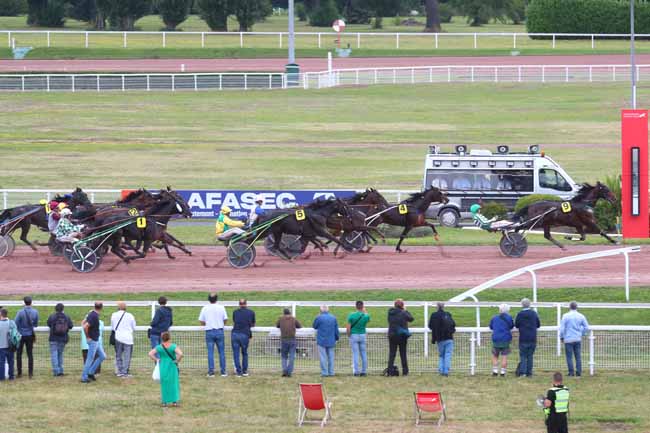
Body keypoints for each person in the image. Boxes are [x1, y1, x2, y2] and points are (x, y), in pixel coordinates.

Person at [148, 332, 183, 408]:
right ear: (169, 338)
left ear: (162, 338)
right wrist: (177, 360)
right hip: (172, 366)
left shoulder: (159, 347)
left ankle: (164, 402)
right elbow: (181, 354)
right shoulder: (173, 346)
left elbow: (150, 353)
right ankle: (174, 402)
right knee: (174, 383)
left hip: (163, 366)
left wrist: (157, 359)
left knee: (164, 384)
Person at [198, 293, 228, 377]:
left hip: (209, 332)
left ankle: (211, 372)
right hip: (219, 331)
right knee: (221, 352)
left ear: (208, 299)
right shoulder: (221, 307)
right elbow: (225, 319)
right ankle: (223, 371)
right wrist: (221, 324)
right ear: (216, 299)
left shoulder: (205, 308)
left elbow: (201, 321)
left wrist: (207, 324)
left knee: (210, 352)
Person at [560, 301, 590, 377]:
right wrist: (582, 333)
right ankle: (579, 372)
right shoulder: (581, 316)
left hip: (568, 339)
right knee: (578, 356)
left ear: (569, 307)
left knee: (569, 357)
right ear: (577, 307)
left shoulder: (565, 316)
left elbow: (562, 328)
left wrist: (561, 337)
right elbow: (587, 327)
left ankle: (571, 372)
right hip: (577, 338)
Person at [428, 302, 456, 377]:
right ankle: (446, 371)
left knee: (441, 355)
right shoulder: (448, 314)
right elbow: (453, 324)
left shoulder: (434, 315)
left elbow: (430, 326)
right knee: (447, 355)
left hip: (439, 338)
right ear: (443, 307)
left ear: (437, 307)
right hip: (449, 337)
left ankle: (441, 370)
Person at [387, 299, 414, 376]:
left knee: (392, 354)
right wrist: (406, 310)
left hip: (392, 335)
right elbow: (411, 319)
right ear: (402, 306)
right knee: (403, 354)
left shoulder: (390, 312)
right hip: (402, 336)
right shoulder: (404, 313)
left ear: (394, 305)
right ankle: (405, 372)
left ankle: (390, 371)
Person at [81, 302, 106, 383]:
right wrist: (88, 337)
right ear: (101, 308)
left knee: (102, 356)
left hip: (96, 340)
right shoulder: (94, 316)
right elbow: (85, 327)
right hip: (93, 340)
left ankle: (91, 372)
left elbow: (83, 324)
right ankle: (84, 377)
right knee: (90, 359)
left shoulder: (92, 314)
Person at [515, 298, 541, 377]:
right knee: (530, 356)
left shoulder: (520, 314)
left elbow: (516, 325)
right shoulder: (534, 313)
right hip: (532, 338)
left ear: (522, 305)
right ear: (529, 304)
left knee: (523, 356)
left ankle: (523, 373)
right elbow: (538, 324)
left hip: (523, 338)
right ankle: (529, 373)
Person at [46, 303, 73, 377]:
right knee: (60, 354)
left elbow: (48, 323)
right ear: (63, 309)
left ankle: (56, 371)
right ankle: (60, 370)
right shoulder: (67, 317)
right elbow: (71, 326)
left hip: (53, 338)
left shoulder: (52, 316)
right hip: (63, 338)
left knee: (54, 354)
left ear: (55, 309)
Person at [14, 296, 38, 379]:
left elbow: (15, 323)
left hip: (20, 335)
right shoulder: (35, 312)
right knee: (30, 354)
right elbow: (35, 324)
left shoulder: (20, 312)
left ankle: (19, 373)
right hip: (30, 335)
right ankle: (30, 373)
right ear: (31, 302)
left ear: (24, 303)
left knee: (19, 354)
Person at [111, 302, 136, 378]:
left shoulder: (114, 315)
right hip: (128, 338)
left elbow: (113, 327)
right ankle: (125, 372)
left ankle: (119, 371)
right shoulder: (130, 315)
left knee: (118, 355)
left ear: (118, 307)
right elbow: (133, 327)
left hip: (118, 337)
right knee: (127, 356)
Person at [231, 299, 256, 377]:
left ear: (239, 304)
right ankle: (244, 371)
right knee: (244, 353)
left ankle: (239, 372)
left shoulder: (235, 312)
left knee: (236, 354)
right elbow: (253, 324)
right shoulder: (251, 312)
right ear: (246, 304)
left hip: (235, 334)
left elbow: (234, 321)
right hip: (245, 335)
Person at [313, 305, 339, 377]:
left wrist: (316, 317)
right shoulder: (333, 318)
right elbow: (336, 330)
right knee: (331, 357)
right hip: (331, 340)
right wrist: (337, 338)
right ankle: (331, 372)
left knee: (323, 357)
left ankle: (324, 372)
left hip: (321, 340)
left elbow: (314, 326)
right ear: (328, 310)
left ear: (320, 310)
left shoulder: (319, 317)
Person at [489, 304, 514, 376]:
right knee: (504, 356)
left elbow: (491, 326)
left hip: (496, 339)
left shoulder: (494, 318)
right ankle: (503, 372)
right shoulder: (509, 318)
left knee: (495, 355)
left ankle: (495, 370)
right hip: (505, 339)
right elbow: (511, 326)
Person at [347, 301, 370, 377]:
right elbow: (367, 319)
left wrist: (349, 335)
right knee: (363, 354)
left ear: (356, 306)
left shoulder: (351, 315)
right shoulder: (366, 316)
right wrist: (365, 311)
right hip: (362, 335)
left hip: (354, 335)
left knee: (355, 354)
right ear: (362, 306)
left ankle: (356, 371)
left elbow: (348, 327)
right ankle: (364, 371)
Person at [276, 308, 302, 377]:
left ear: (283, 313)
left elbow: (277, 325)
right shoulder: (293, 319)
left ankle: (284, 370)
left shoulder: (281, 319)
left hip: (284, 340)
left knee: (284, 356)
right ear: (290, 313)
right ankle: (289, 372)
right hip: (292, 339)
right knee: (292, 356)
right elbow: (299, 326)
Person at [0, 309, 16, 381]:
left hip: (1, 346)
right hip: (11, 346)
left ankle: (2, 377)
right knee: (11, 362)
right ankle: (11, 376)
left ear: (1, 314)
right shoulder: (12, 322)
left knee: (1, 363)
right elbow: (15, 333)